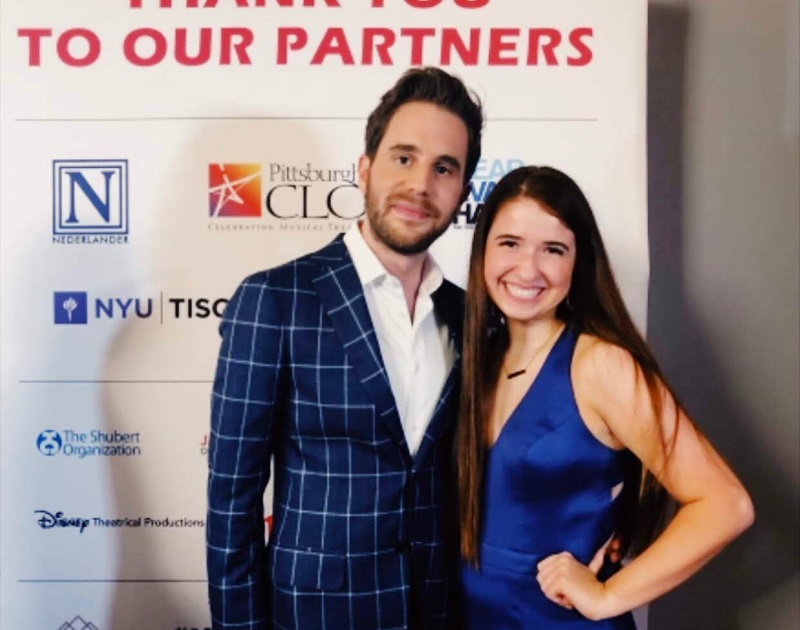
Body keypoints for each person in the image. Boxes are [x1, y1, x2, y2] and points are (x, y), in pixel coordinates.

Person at [206, 67, 483, 630]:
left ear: (463, 192)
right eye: (403, 158)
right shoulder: (275, 299)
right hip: (315, 614)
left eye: (444, 168)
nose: (420, 185)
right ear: (364, 169)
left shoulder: (471, 315)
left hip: (438, 610)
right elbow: (232, 501)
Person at [456, 165, 754, 628]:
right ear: (483, 252)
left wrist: (607, 596)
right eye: (510, 244)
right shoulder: (471, 358)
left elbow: (725, 504)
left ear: (579, 263)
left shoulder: (601, 366)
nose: (527, 268)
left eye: (553, 249)